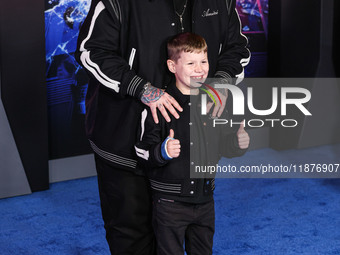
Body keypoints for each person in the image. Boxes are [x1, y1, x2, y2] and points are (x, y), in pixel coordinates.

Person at [75, 0, 250, 254]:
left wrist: (221, 82)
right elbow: (92, 51)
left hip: (184, 155)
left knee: (185, 237)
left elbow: (237, 49)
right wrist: (141, 88)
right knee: (131, 235)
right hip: (124, 141)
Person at [134, 32, 250, 255]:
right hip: (170, 204)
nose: (200, 69)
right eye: (191, 63)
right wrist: (162, 151)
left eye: (203, 61)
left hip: (206, 201)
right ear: (172, 65)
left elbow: (223, 146)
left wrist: (237, 143)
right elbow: (141, 152)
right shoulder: (158, 105)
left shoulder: (215, 101)